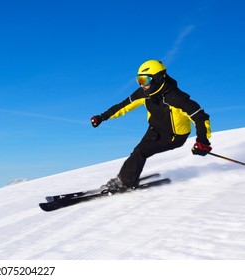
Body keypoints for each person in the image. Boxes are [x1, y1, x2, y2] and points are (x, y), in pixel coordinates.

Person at [90, 60, 212, 193]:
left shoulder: (176, 98)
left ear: (158, 79)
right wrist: (102, 117)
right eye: (139, 80)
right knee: (138, 151)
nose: (141, 85)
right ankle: (128, 178)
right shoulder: (144, 94)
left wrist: (202, 140)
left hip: (173, 136)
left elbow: (200, 117)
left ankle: (124, 182)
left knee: (140, 152)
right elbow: (123, 106)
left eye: (144, 80)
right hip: (154, 130)